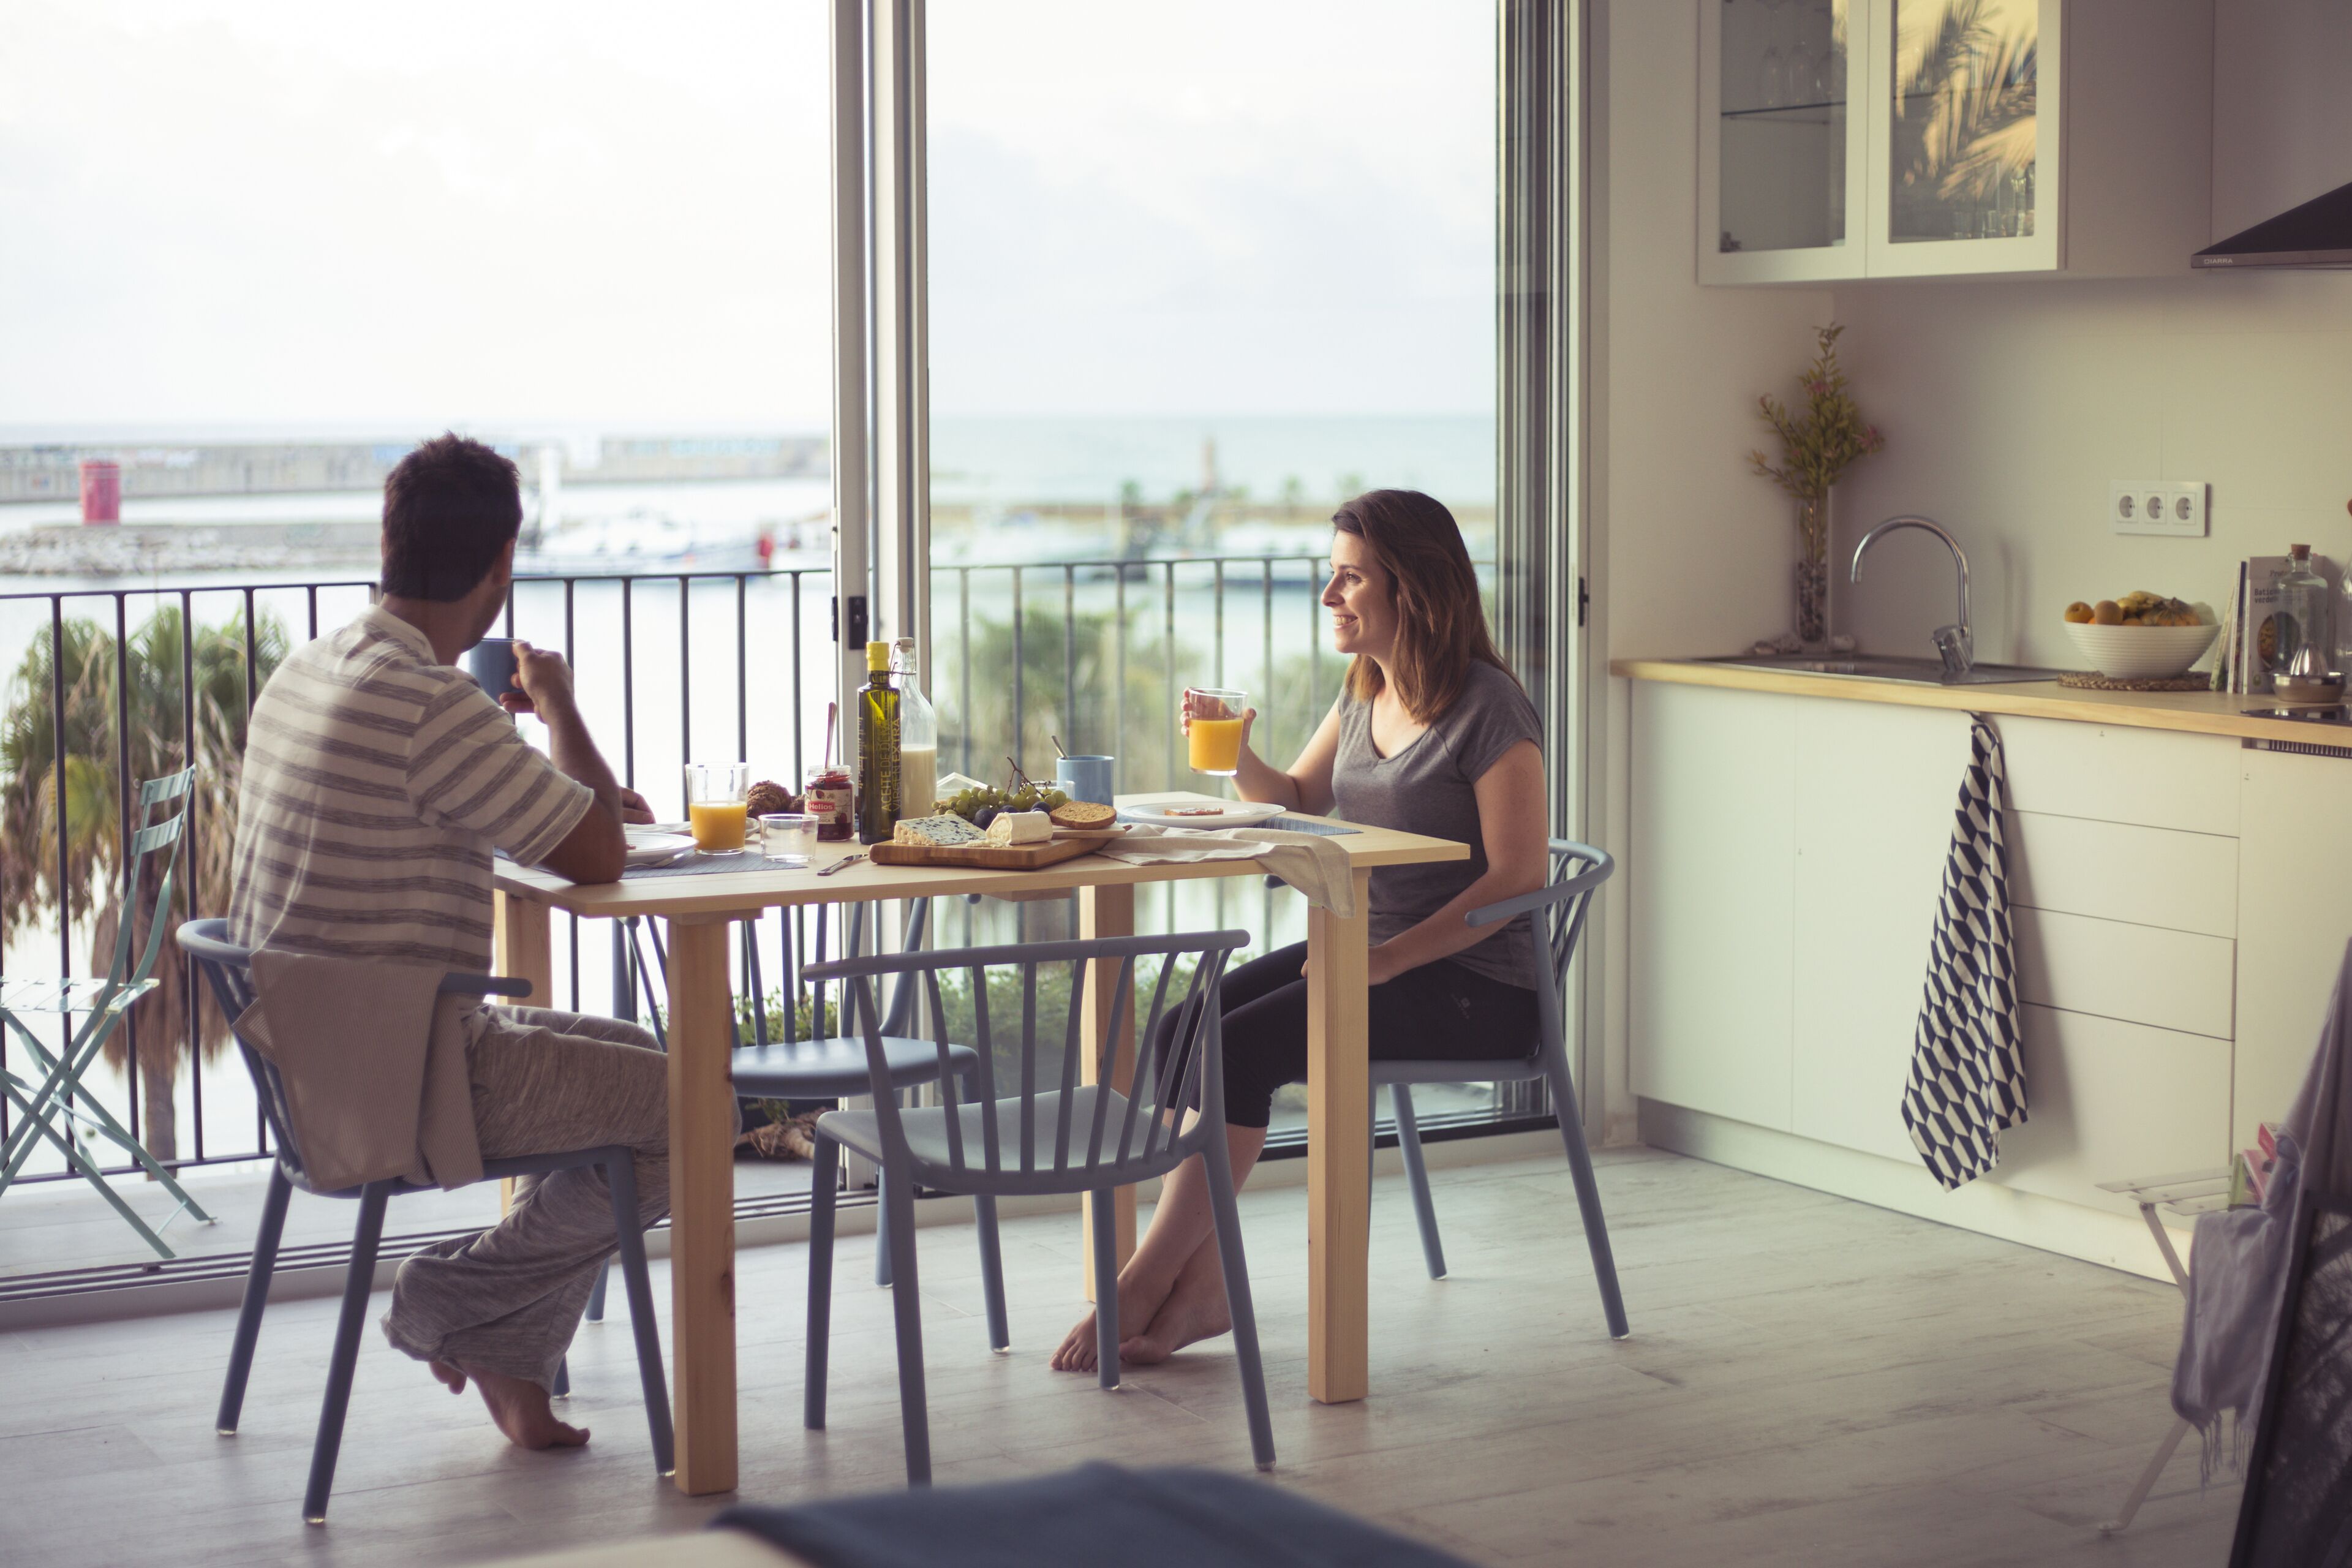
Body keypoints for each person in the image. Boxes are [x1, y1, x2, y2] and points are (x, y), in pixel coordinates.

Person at [228, 432, 669, 1450]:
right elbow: (599, 851)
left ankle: (510, 1355)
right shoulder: (432, 703)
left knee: (653, 1067)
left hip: (308, 1059)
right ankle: (448, 1296)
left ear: (391, 543)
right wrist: (556, 703)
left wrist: (554, 782)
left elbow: (550, 826)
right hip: (403, 1072)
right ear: (500, 565)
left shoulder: (315, 665)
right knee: (693, 1107)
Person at [1053, 488, 1551, 1372]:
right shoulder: (1365, 692)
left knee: (1242, 1050)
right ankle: (1203, 1286)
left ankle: (1153, 1274)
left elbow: (1519, 874)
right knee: (1184, 1026)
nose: (1329, 598)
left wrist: (1389, 959)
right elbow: (1294, 799)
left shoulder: (1489, 708)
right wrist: (1240, 752)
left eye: (1349, 579)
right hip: (1370, 954)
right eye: (1332, 577)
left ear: (1414, 589)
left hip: (1478, 989)